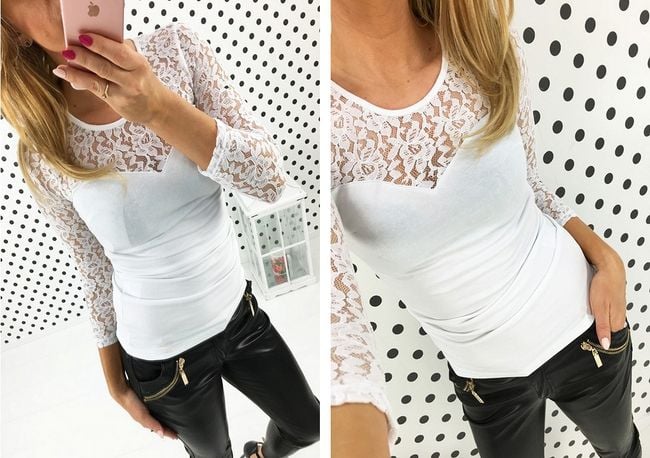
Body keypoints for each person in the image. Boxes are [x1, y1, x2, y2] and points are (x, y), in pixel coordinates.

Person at [1, 2, 320, 457]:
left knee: (308, 425)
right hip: (164, 359)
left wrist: (157, 107)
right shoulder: (44, 147)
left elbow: (268, 182)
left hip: (239, 312)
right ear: (13, 29)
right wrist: (115, 384)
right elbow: (93, 268)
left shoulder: (178, 49)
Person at [330, 0, 642, 457]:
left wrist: (607, 258)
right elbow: (339, 324)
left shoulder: (483, 45)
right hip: (487, 383)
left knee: (623, 449)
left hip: (589, 326)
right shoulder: (323, 123)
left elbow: (533, 185)